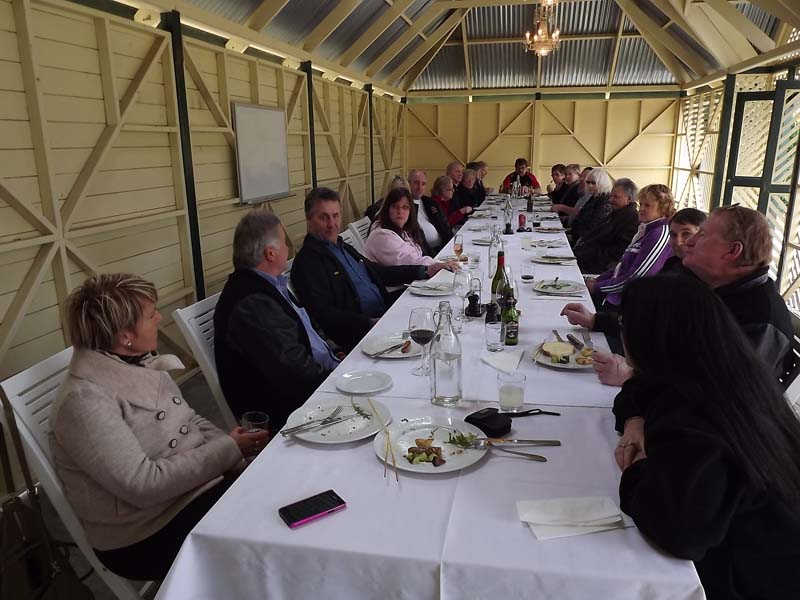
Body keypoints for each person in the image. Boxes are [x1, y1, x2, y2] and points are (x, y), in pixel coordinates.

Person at [49, 274, 267, 581]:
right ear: (126, 336)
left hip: (195, 490)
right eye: (151, 315)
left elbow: (189, 420)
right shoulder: (83, 402)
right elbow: (144, 485)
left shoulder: (137, 361)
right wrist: (228, 450)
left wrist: (234, 455)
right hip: (145, 532)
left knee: (275, 491)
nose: (159, 318)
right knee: (265, 530)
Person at [614, 275, 800, 600]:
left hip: (753, 582)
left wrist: (637, 471)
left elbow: (677, 531)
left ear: (648, 336)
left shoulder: (696, 412)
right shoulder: (722, 371)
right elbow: (636, 390)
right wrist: (635, 421)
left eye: (623, 324)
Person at [215, 212, 340, 430]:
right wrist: (339, 379)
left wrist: (335, 353)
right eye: (284, 241)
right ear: (270, 253)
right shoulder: (252, 302)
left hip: (318, 382)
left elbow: (308, 327)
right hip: (294, 410)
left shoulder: (271, 285)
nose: (288, 247)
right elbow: (296, 371)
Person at [291, 187, 451, 351]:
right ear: (309, 219)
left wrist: (424, 271)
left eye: (336, 215)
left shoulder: (343, 247)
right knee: (433, 342)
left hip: (384, 311)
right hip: (362, 334)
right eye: (323, 217)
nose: (332, 224)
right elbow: (323, 314)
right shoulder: (308, 262)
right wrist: (371, 322)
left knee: (438, 315)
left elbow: (379, 273)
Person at [564, 206, 706, 339]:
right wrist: (594, 320)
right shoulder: (671, 266)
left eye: (686, 234)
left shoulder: (699, 279)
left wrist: (597, 288)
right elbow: (646, 317)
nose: (679, 241)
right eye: (673, 235)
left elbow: (634, 279)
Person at [586, 183, 674, 307]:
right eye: (641, 204)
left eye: (647, 205)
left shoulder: (658, 234)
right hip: (614, 296)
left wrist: (597, 286)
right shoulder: (645, 229)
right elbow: (622, 267)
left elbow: (637, 278)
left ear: (663, 208)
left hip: (627, 304)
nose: (642, 209)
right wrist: (598, 280)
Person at [364, 188, 459, 288]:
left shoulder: (403, 231)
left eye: (405, 207)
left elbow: (418, 256)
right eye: (395, 207)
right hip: (393, 292)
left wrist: (440, 264)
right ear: (387, 209)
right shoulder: (381, 236)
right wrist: (437, 265)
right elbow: (412, 262)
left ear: (410, 211)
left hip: (409, 283)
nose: (400, 211)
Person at [573, 178, 639, 274]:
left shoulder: (631, 219)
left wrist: (586, 254)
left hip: (597, 267)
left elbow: (619, 251)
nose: (611, 200)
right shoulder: (616, 213)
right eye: (611, 196)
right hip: (586, 258)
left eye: (616, 197)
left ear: (628, 199)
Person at [408, 168, 453, 253]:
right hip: (426, 253)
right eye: (416, 183)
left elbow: (444, 225)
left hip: (443, 247)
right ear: (408, 184)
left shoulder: (430, 202)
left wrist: (453, 244)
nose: (420, 187)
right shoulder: (405, 206)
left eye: (423, 184)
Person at [568, 168, 613, 243]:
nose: (590, 185)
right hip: (578, 237)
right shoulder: (594, 197)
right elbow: (580, 217)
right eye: (588, 182)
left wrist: (576, 238)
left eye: (593, 183)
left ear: (602, 183)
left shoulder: (604, 201)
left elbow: (594, 226)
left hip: (589, 241)